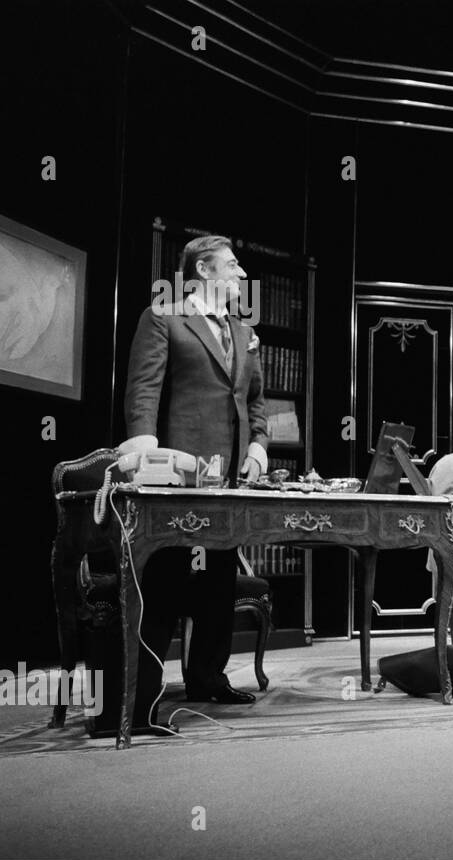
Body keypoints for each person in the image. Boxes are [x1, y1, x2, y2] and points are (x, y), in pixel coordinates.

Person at [118, 234, 269, 721]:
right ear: (203, 271)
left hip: (229, 477)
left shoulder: (245, 332)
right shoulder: (163, 316)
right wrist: (142, 442)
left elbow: (255, 402)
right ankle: (145, 690)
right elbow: (144, 387)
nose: (241, 275)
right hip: (179, 475)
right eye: (232, 267)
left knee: (219, 578)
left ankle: (208, 678)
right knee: (167, 577)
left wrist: (258, 446)